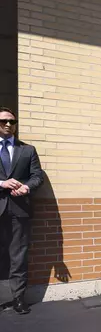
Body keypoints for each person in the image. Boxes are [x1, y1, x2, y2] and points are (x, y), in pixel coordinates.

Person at [0, 107, 43, 314]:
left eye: (12, 122)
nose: (8, 125)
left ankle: (18, 298)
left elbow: (37, 176)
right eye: (3, 121)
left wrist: (27, 187)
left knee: (18, 255)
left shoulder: (28, 150)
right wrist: (2, 183)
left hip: (19, 209)